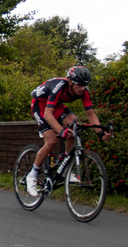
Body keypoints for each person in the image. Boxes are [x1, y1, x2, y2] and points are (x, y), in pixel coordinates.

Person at [27, 66, 111, 196]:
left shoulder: (84, 91)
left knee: (73, 126)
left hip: (55, 105)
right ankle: (32, 175)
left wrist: (100, 133)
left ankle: (65, 164)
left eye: (85, 85)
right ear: (70, 81)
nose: (82, 88)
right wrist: (61, 131)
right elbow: (48, 114)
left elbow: (90, 114)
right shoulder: (59, 86)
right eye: (79, 85)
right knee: (51, 141)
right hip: (40, 105)